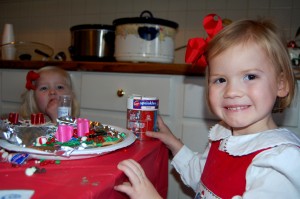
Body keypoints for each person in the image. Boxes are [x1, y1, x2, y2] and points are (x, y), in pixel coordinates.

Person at [114, 14, 300, 198]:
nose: (231, 91)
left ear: (281, 84)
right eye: (220, 79)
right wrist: (173, 143)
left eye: (250, 76)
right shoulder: (223, 136)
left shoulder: (278, 163)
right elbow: (203, 178)